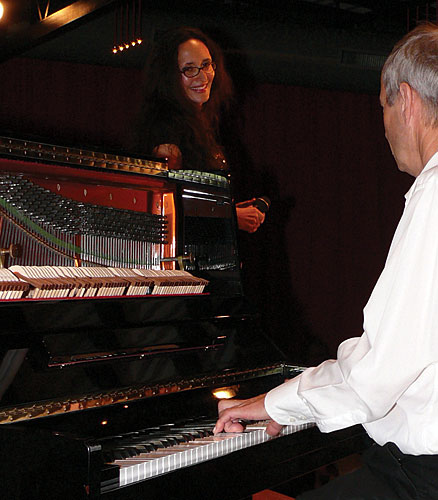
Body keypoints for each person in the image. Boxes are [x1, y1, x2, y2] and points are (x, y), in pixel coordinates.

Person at [214, 23, 438, 499]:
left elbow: (376, 375)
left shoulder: (435, 194)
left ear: (407, 99)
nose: (384, 125)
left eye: (383, 107)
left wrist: (275, 404)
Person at [135, 26, 265, 234]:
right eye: (189, 69)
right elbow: (166, 210)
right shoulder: (166, 129)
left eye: (206, 65)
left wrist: (229, 211)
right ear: (169, 76)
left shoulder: (198, 123)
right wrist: (231, 217)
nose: (202, 77)